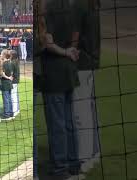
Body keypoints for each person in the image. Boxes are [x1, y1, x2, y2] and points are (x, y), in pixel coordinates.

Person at [39, 0, 81, 178]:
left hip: (54, 74)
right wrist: (70, 49)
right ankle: (73, 163)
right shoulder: (71, 8)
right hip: (68, 71)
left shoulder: (46, 12)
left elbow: (45, 43)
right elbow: (76, 35)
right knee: (69, 122)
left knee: (57, 125)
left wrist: (62, 51)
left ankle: (60, 168)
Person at [71, 0, 101, 172]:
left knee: (80, 113)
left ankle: (84, 159)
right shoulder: (92, 4)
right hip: (91, 63)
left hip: (82, 64)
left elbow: (75, 35)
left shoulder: (79, 5)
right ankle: (94, 153)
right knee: (89, 109)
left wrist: (69, 52)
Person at [0, 50, 14, 120]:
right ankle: (11, 113)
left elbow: (2, 73)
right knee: (9, 98)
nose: (1, 55)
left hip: (5, 83)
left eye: (2, 54)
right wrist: (10, 77)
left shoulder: (4, 63)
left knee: (6, 99)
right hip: (9, 83)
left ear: (4, 55)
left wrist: (7, 77)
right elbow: (12, 72)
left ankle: (7, 114)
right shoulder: (10, 62)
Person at [10, 50, 20, 116]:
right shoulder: (16, 61)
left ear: (12, 56)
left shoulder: (12, 63)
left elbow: (11, 74)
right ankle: (17, 110)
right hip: (16, 81)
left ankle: (14, 111)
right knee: (15, 96)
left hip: (13, 82)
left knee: (13, 97)